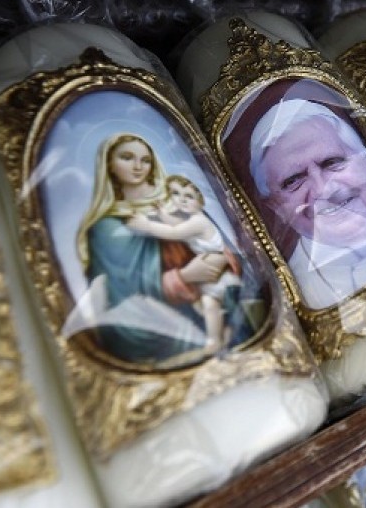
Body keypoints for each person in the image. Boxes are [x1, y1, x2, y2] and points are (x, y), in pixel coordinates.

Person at [74, 133, 254, 364]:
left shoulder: (176, 201)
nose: (138, 166)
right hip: (163, 325)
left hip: (215, 304)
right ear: (109, 163)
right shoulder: (106, 227)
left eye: (145, 159)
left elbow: (219, 243)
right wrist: (185, 276)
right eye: (127, 158)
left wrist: (222, 261)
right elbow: (118, 294)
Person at [249, 98, 366, 309]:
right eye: (293, 180)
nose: (322, 189)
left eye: (332, 162)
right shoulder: (292, 294)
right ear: (276, 206)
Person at [127, 174, 243, 354]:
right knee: (203, 306)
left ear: (200, 202)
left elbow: (174, 231)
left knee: (209, 302)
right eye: (177, 194)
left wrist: (147, 225)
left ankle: (214, 341)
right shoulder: (192, 219)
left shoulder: (199, 221)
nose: (181, 200)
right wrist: (161, 213)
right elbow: (175, 223)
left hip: (220, 272)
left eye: (188, 196)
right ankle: (224, 331)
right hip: (211, 267)